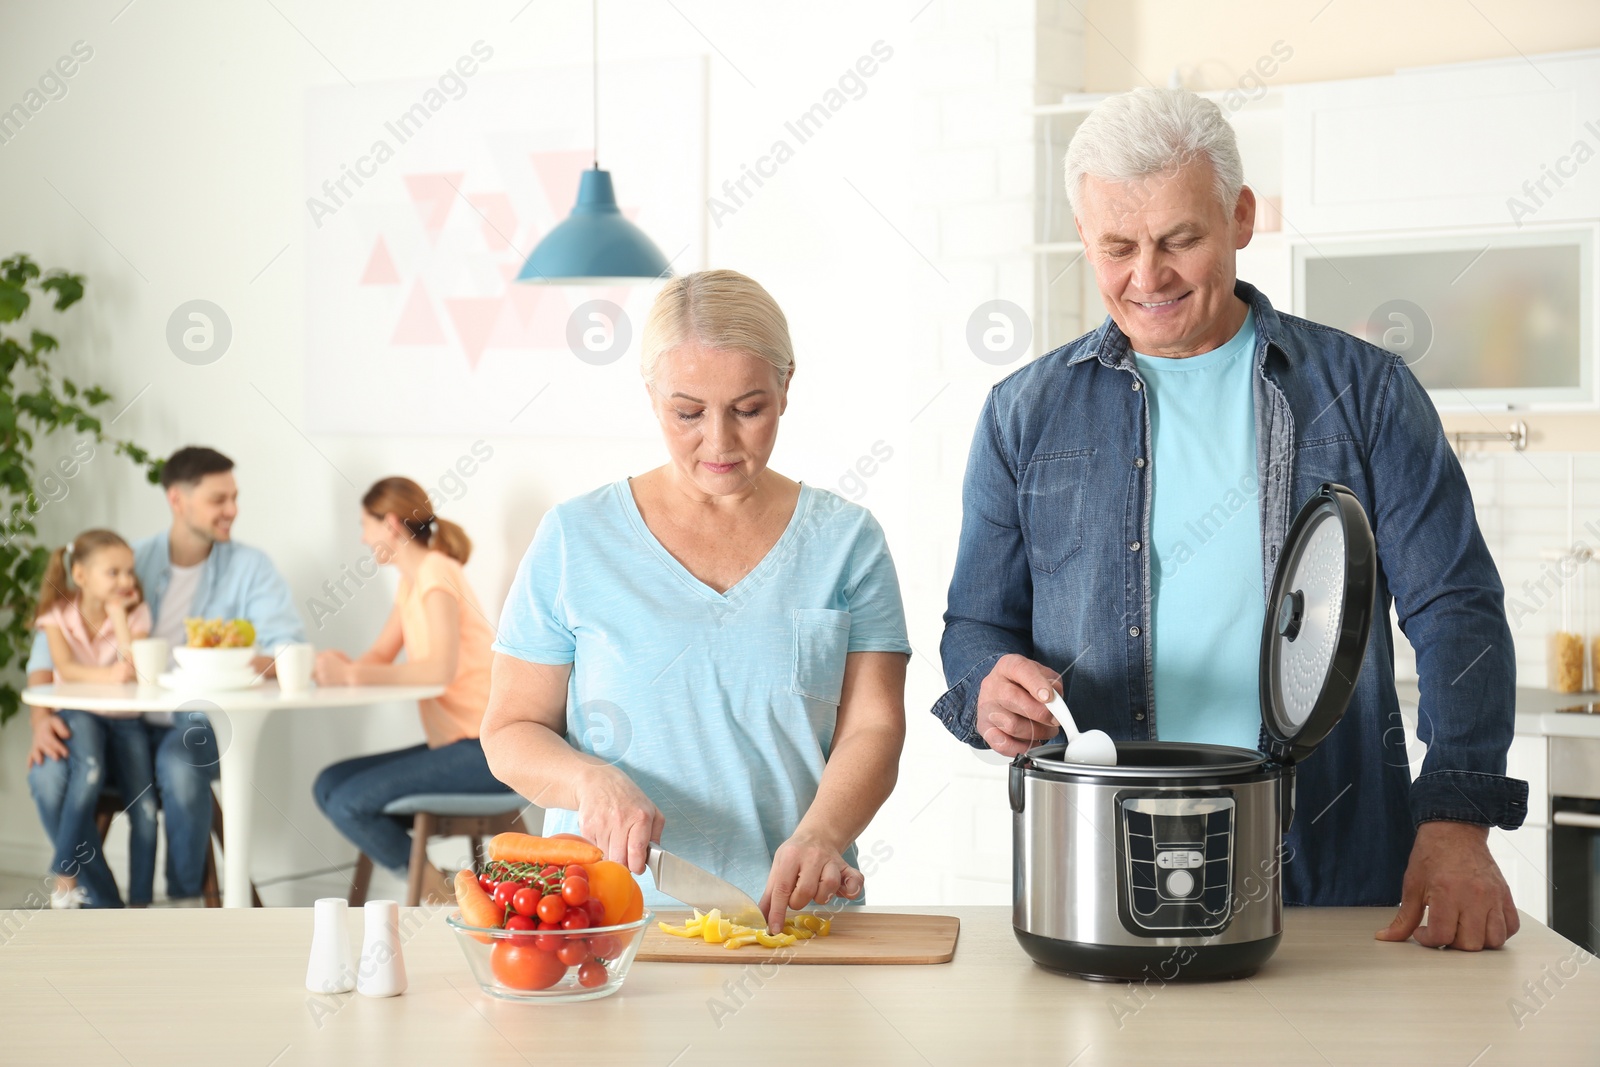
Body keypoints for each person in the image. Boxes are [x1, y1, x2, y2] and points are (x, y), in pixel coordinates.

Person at [935, 87, 1528, 952]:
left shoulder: (1364, 393)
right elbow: (976, 626)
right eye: (1117, 246)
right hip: (1097, 867)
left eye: (1179, 239)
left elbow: (1457, 608)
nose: (1148, 277)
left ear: (1240, 217)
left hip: (1330, 864)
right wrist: (987, 685)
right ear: (1084, 239)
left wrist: (1457, 818)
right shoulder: (1023, 414)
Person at [481, 269, 910, 935]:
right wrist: (589, 781)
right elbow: (509, 731)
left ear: (787, 386)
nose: (720, 442)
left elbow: (873, 727)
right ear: (650, 393)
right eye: (688, 412)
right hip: (602, 928)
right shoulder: (575, 538)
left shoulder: (846, 542)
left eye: (749, 409)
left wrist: (823, 834)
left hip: (793, 921)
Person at [26, 447, 305, 906]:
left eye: (234, 497)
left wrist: (222, 657)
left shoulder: (251, 568)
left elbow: (287, 653)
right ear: (178, 500)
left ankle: (182, 902)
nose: (232, 510)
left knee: (181, 762)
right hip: (117, 724)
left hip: (195, 723)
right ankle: (104, 903)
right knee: (48, 776)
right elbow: (47, 651)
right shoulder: (127, 562)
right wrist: (40, 722)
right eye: (219, 499)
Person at [312, 477, 503, 905]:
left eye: (367, 525)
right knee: (329, 784)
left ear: (392, 524)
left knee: (347, 801)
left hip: (484, 749)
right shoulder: (410, 582)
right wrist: (338, 668)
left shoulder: (437, 573)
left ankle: (438, 889)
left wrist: (352, 677)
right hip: (454, 745)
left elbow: (440, 668)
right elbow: (382, 652)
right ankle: (440, 881)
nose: (363, 538)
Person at [27, 530, 155, 908]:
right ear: (80, 575)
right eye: (113, 573)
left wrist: (118, 615)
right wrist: (107, 676)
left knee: (145, 812)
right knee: (90, 769)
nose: (126, 581)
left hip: (127, 720)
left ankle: (141, 906)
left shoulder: (136, 613)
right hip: (80, 715)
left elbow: (133, 667)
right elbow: (62, 666)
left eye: (129, 572)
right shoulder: (56, 615)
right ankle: (66, 876)